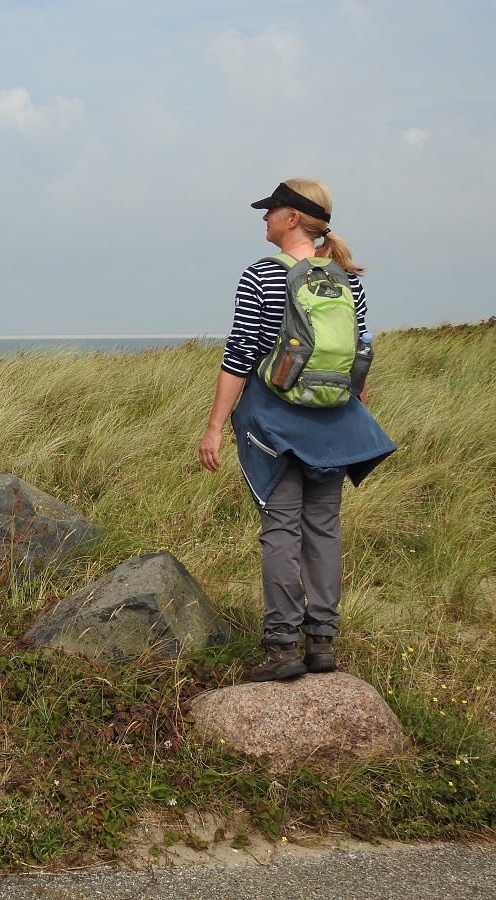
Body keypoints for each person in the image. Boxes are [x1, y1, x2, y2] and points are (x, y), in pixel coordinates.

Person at [198, 178, 395, 682]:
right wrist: (353, 418)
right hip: (334, 423)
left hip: (275, 424)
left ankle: (282, 647)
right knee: (324, 528)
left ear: (291, 219)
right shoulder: (348, 279)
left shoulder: (262, 274)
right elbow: (359, 358)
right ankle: (322, 643)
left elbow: (238, 357)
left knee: (281, 530)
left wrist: (215, 427)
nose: (263, 218)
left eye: (270, 211)